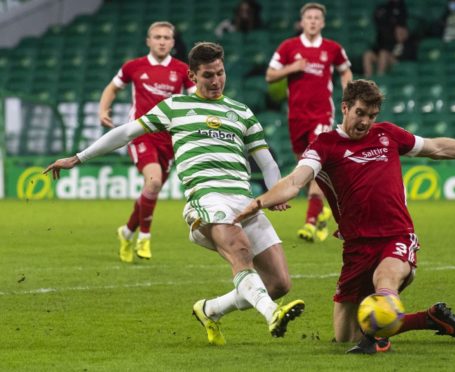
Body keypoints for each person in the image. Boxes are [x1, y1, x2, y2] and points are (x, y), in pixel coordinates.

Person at [46, 42, 305, 344]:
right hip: (208, 198)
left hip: (244, 201)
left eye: (220, 73)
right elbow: (126, 132)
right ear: (192, 76)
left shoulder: (241, 112)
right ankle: (272, 314)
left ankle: (210, 309)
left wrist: (275, 194)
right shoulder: (175, 107)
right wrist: (79, 157)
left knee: (279, 283)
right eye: (208, 75)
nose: (216, 81)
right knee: (240, 252)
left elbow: (267, 161)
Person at [234, 79, 455, 354]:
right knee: (346, 336)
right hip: (356, 246)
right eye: (360, 113)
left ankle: (380, 338)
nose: (366, 121)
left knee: (385, 282)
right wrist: (259, 202)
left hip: (396, 235)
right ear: (344, 108)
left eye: (371, 115)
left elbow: (436, 148)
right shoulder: (325, 145)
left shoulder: (388, 134)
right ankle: (430, 318)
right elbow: (295, 181)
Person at [98, 21, 196, 263]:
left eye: (166, 37)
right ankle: (144, 236)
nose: (162, 41)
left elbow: (196, 98)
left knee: (150, 190)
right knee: (153, 183)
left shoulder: (183, 69)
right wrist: (103, 109)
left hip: (169, 138)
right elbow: (112, 88)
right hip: (141, 133)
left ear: (173, 43)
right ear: (148, 41)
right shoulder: (134, 67)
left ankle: (126, 232)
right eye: (157, 37)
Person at [266, 2, 353, 243]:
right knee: (305, 170)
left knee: (314, 165)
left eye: (317, 18)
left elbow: (345, 70)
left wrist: (348, 91)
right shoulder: (289, 47)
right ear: (302, 22)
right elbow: (270, 74)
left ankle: (310, 221)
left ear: (323, 22)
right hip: (296, 117)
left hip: (322, 115)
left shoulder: (332, 48)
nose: (313, 21)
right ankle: (322, 209)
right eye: (309, 18)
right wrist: (292, 67)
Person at [363, 0, 408, 77]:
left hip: (396, 60)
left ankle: (380, 78)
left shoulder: (407, 43)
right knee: (368, 55)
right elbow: (378, 48)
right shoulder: (387, 39)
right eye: (398, 31)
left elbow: (405, 57)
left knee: (383, 54)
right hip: (383, 57)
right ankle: (368, 79)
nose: (399, 34)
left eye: (401, 32)